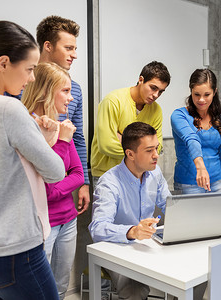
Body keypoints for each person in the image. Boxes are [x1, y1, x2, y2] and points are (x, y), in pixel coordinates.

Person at [0, 21, 65, 299]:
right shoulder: (8, 109)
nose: (31, 79)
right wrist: (50, 139)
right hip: (17, 250)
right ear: (3, 63)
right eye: (29, 69)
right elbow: (55, 171)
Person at [22, 62, 84, 300]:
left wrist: (55, 189)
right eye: (65, 91)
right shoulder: (28, 126)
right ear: (46, 90)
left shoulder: (61, 128)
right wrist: (63, 142)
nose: (71, 98)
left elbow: (77, 175)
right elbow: (48, 186)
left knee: (60, 287)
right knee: (39, 293)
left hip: (68, 220)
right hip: (41, 226)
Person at [89, 122, 169, 300]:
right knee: (135, 291)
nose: (156, 156)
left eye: (157, 148)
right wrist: (132, 231)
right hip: (118, 248)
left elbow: (170, 206)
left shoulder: (154, 173)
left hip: (147, 244)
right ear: (130, 154)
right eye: (149, 151)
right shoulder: (109, 183)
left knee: (190, 273)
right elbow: (97, 228)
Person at [36, 15, 90, 215]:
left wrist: (83, 181)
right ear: (48, 46)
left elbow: (76, 137)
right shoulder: (21, 84)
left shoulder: (74, 89)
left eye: (75, 48)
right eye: (68, 48)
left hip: (63, 189)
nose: (74, 55)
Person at [90, 61, 171, 187]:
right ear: (141, 80)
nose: (156, 95)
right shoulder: (112, 101)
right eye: (153, 88)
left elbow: (157, 148)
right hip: (107, 174)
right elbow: (106, 145)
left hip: (138, 176)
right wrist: (144, 149)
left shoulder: (156, 110)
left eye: (160, 91)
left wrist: (125, 140)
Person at [171, 68, 221, 193]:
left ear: (214, 92)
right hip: (188, 184)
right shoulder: (179, 116)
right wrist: (201, 167)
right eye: (196, 94)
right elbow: (191, 138)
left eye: (207, 95)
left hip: (217, 183)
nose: (201, 100)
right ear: (191, 91)